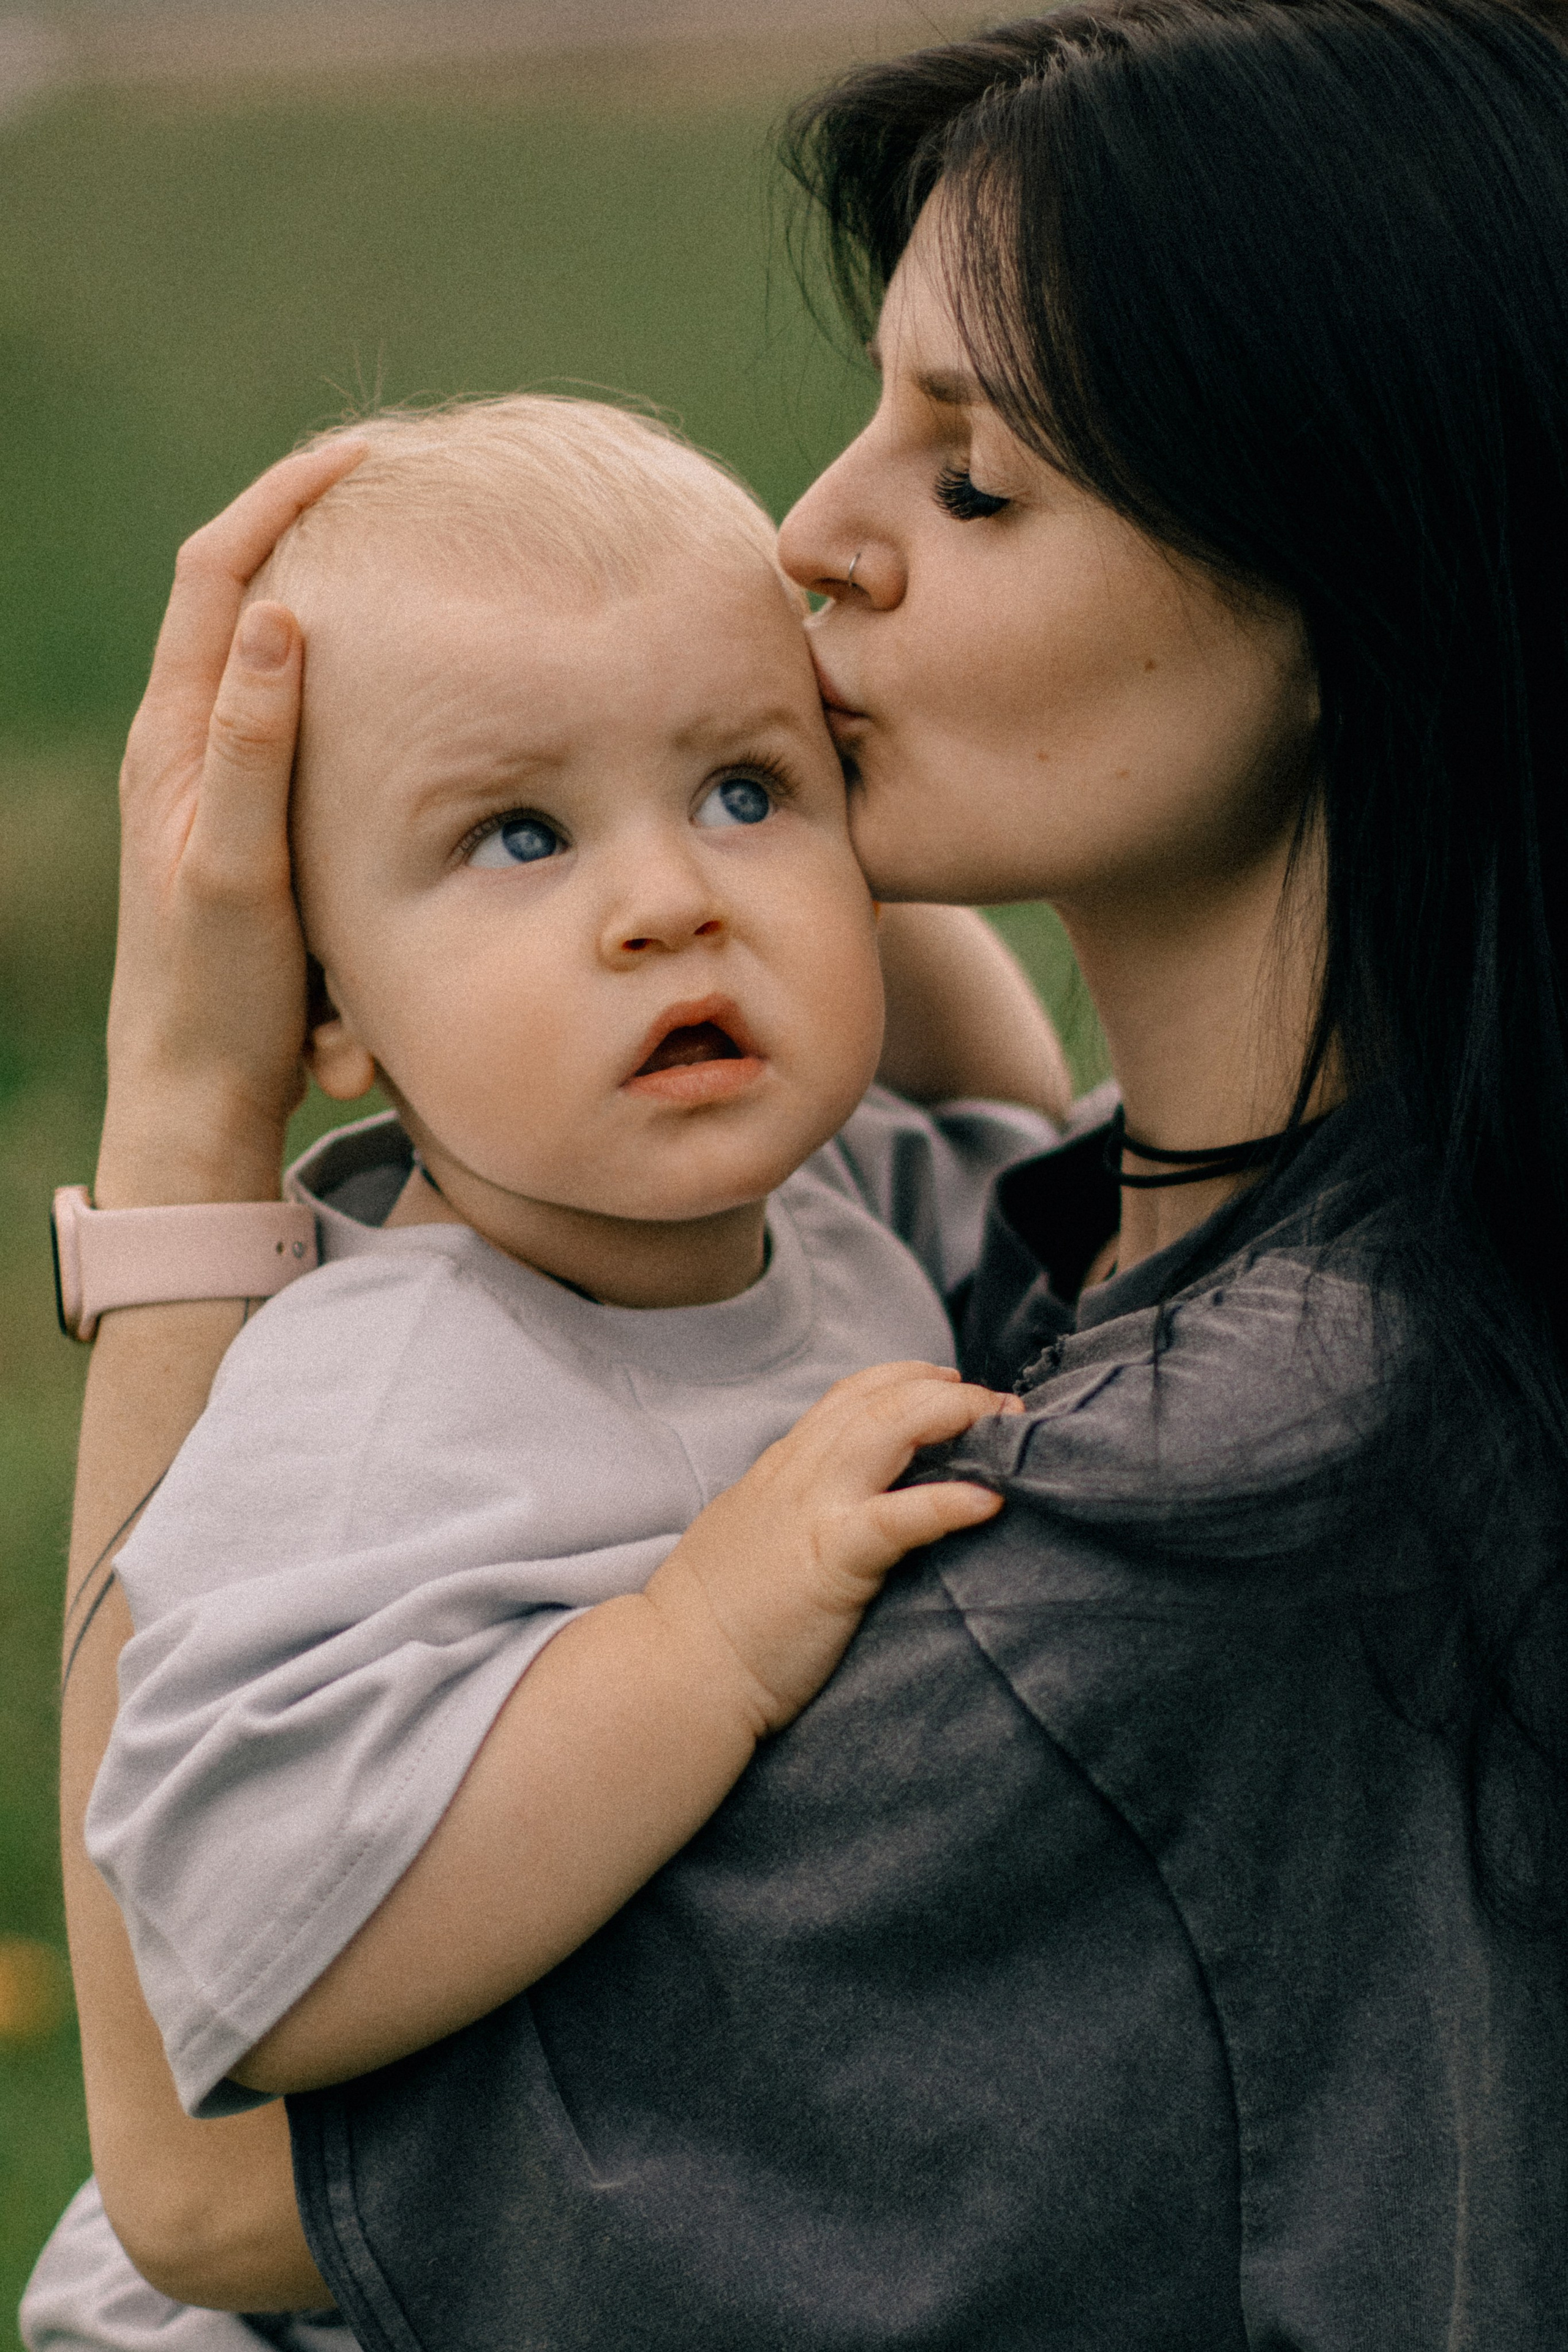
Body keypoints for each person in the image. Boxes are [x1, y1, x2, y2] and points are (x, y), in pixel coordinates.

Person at [51, 0, 1568, 2342]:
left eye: (973, 483)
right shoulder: (1251, 1247)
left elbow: (208, 2166)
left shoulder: (1212, 1517)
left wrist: (187, 1123)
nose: (811, 540)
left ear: (1358, 589)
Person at [26, 396, 1074, 2348]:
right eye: (520, 833)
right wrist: (696, 1646)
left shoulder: (847, 1219)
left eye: (750, 791)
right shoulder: (371, 1403)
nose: (671, 896)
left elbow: (1043, 1169)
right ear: (327, 1005)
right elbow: (249, 1946)